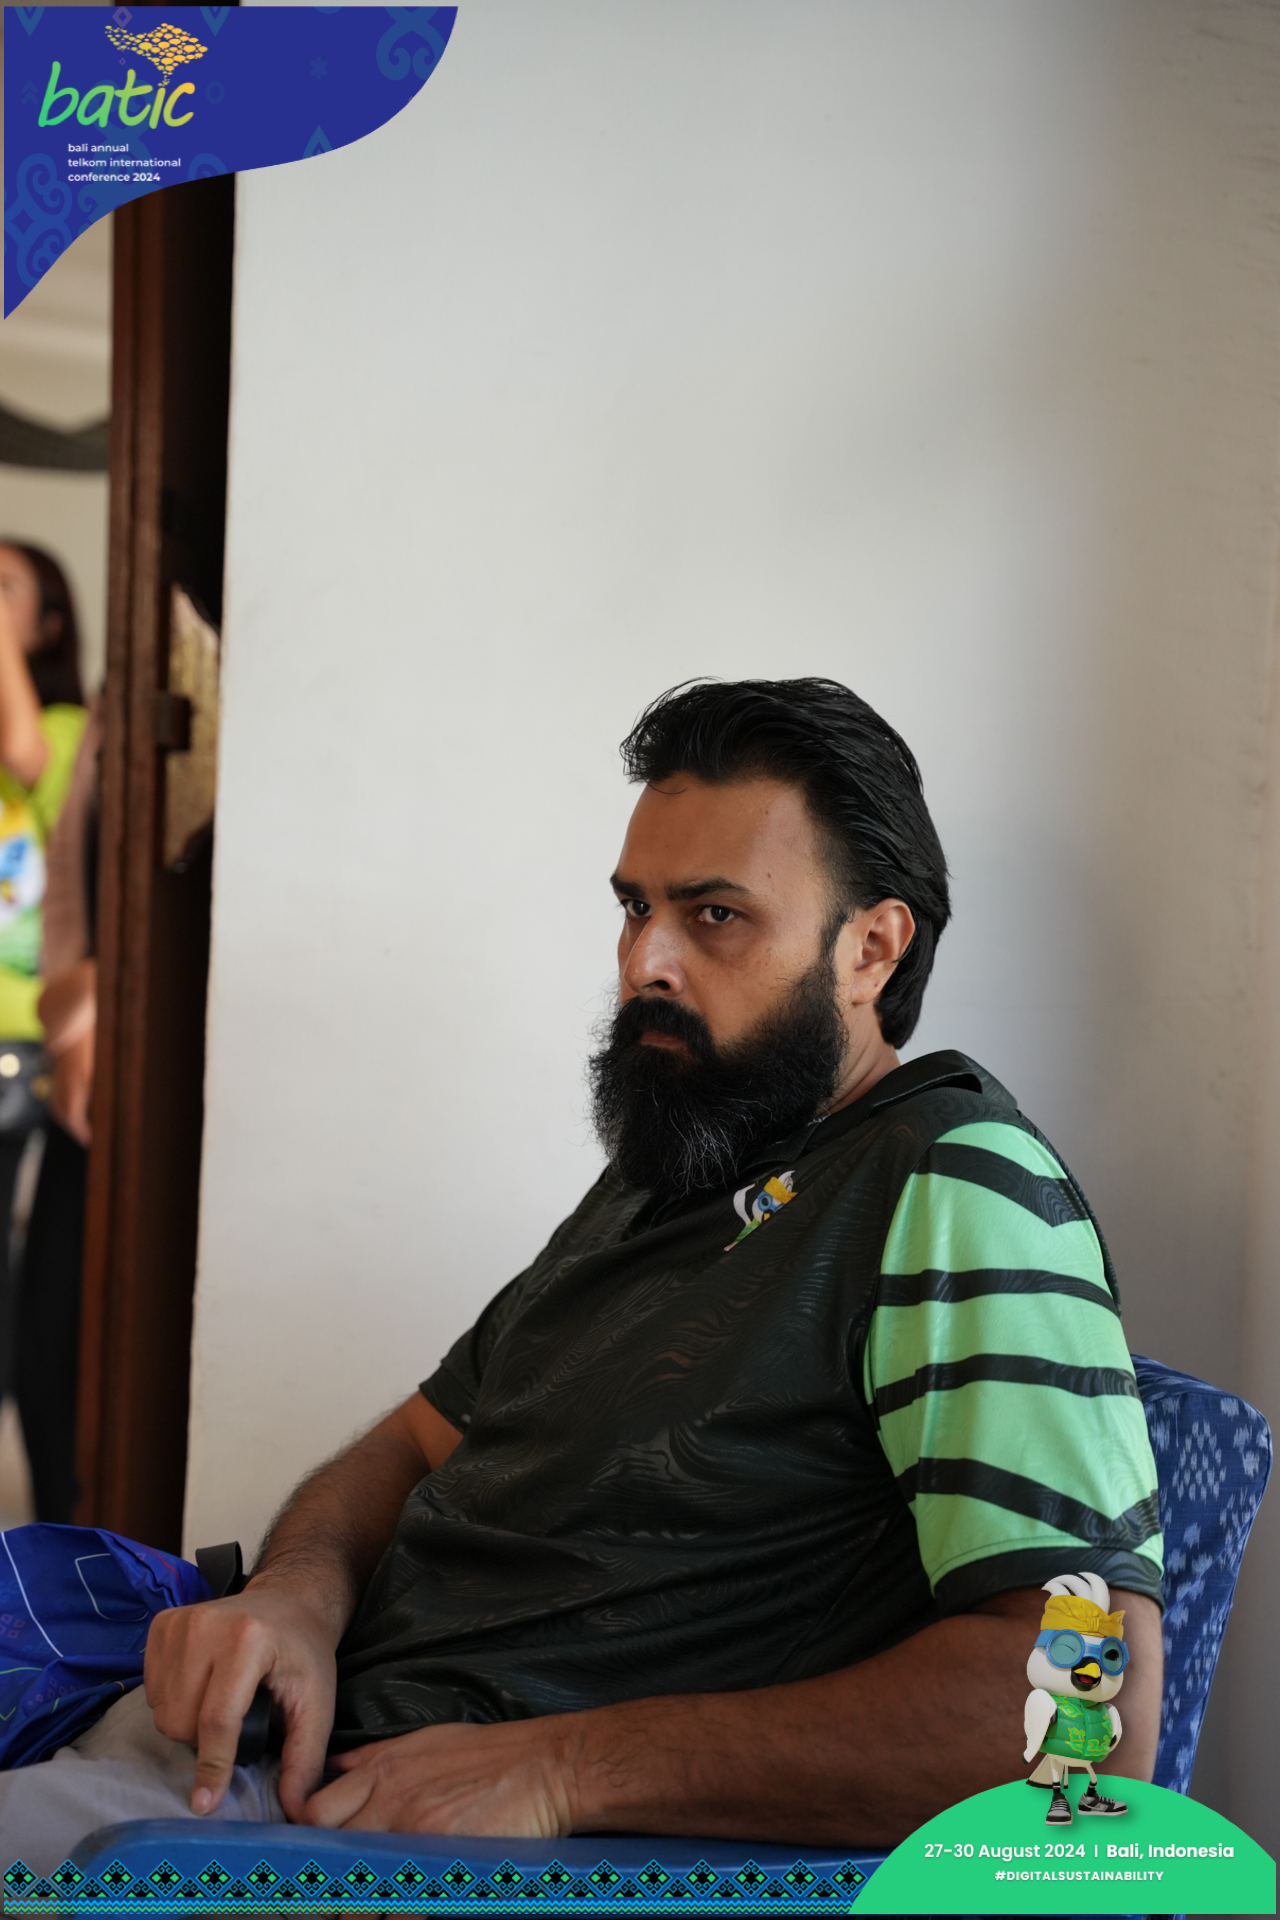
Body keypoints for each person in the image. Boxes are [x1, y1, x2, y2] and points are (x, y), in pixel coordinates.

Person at [0, 678, 1163, 1868]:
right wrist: (295, 1594)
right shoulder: (674, 1165)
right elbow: (410, 1446)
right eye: (635, 907)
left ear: (870, 948)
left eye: (714, 915)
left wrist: (565, 1771)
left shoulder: (953, 1183)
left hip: (356, 1842)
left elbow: (1091, 1719)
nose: (644, 959)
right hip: (239, 1739)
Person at [0, 545, 86, 1482]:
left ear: (50, 624)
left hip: (21, 1035)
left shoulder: (62, 728)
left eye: (4, 587)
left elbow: (24, 753)